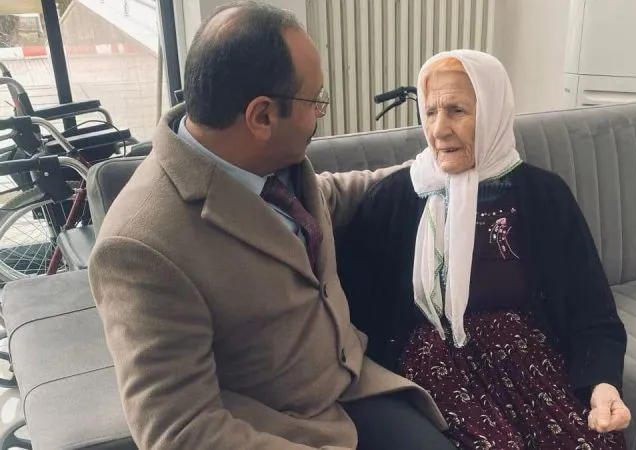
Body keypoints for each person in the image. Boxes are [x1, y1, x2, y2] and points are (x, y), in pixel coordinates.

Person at [88, 2, 456, 449]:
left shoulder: (260, 159)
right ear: (261, 116)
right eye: (315, 101)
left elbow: (326, 198)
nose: (319, 114)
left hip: (355, 384)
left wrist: (427, 171)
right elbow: (180, 431)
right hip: (283, 429)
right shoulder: (140, 246)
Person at [337, 50, 631, 449]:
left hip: (526, 360)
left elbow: (592, 310)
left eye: (457, 110)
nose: (439, 129)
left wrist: (603, 384)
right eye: (430, 112)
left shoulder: (545, 196)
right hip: (433, 366)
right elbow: (349, 310)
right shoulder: (394, 200)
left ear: (493, 112)